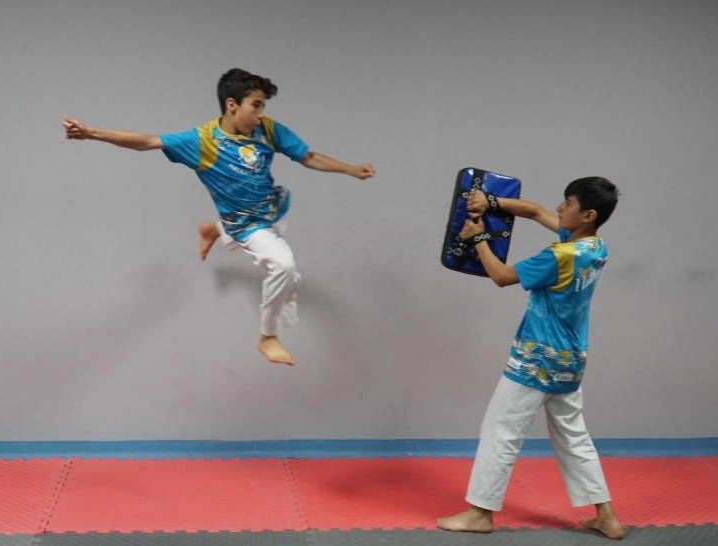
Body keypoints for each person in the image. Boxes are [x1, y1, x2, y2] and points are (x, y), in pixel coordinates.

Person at [63, 68, 375, 366]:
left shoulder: (267, 130)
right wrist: (90, 133)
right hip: (246, 226)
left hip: (274, 207)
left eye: (263, 106)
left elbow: (308, 157)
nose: (261, 114)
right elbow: (147, 141)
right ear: (231, 105)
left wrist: (351, 169)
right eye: (256, 105)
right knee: (284, 268)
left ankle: (213, 230)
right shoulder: (202, 142)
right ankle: (268, 337)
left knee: (282, 244)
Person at [436, 177, 624, 540]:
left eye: (567, 203)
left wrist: (478, 238)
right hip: (570, 361)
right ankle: (607, 516)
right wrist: (490, 201)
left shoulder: (558, 256)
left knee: (500, 432)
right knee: (574, 438)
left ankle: (480, 513)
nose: (559, 207)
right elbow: (535, 211)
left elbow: (502, 276)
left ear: (587, 214)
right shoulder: (594, 246)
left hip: (536, 359)